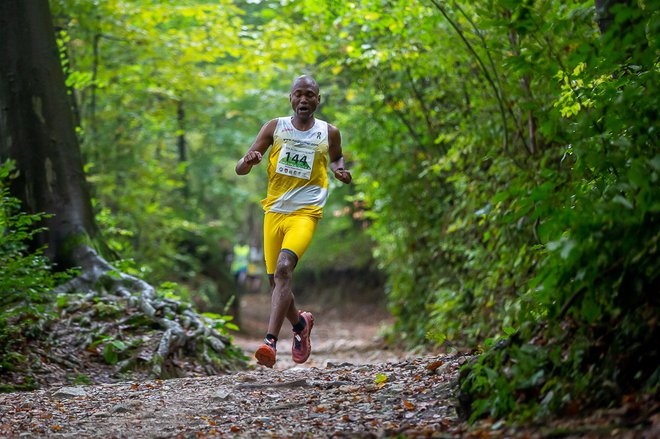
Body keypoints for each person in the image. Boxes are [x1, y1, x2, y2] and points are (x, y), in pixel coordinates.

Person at [235, 75, 352, 368]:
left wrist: (341, 171)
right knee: (276, 281)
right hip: (274, 211)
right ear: (290, 98)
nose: (303, 100)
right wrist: (248, 161)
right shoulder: (275, 127)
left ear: (317, 99)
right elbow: (241, 168)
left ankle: (270, 343)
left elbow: (337, 158)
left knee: (285, 269)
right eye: (298, 94)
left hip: (306, 212)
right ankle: (300, 324)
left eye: (309, 95)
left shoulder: (329, 132)